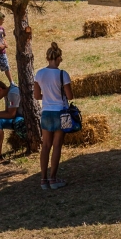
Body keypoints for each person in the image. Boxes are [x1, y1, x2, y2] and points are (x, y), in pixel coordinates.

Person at [33, 42, 72, 189]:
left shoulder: (39, 73)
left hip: (46, 112)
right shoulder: (63, 74)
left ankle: (43, 180)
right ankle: (53, 179)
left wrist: (48, 96)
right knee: (57, 146)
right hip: (60, 112)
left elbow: (37, 95)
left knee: (46, 146)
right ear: (58, 58)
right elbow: (70, 95)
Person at [0, 79, 23, 162]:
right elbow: (7, 112)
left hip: (22, 117)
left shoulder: (12, 93)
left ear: (0, 89)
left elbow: (11, 114)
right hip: (16, 115)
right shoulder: (6, 94)